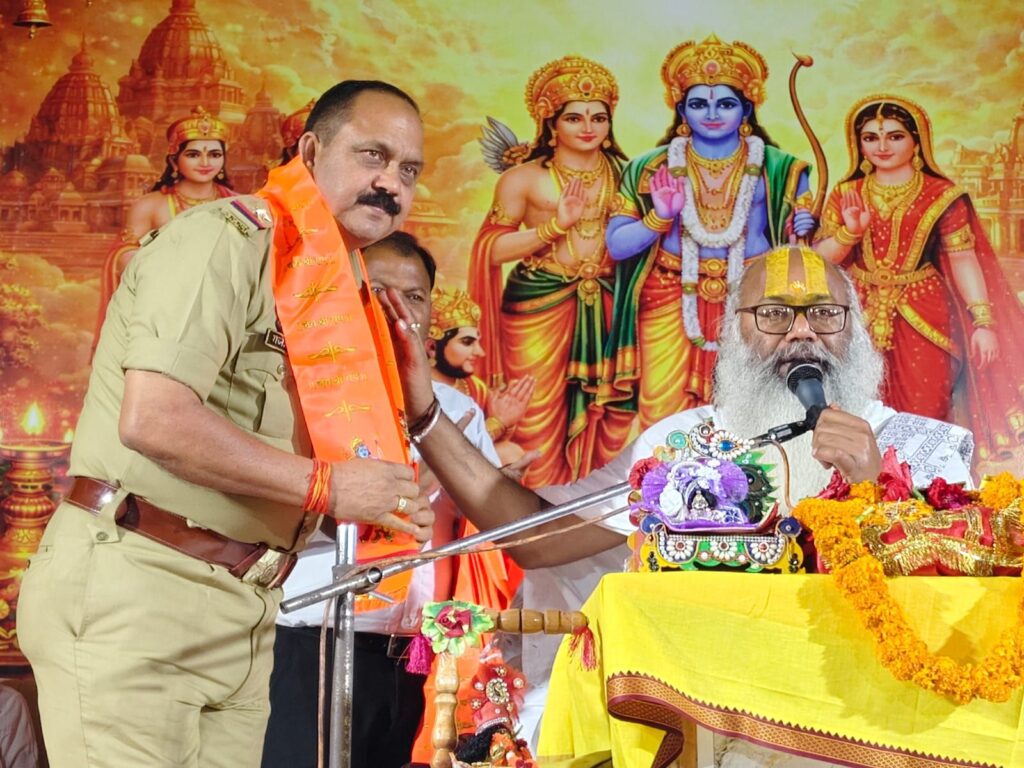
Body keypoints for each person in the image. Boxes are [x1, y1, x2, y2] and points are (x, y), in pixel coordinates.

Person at [378, 244, 973, 753]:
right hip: (709, 724)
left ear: (856, 329)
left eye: (823, 312)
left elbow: (960, 609)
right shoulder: (684, 446)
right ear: (733, 331)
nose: (801, 331)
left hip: (869, 725)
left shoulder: (925, 448)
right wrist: (424, 411)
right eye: (773, 314)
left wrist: (874, 485)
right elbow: (539, 538)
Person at [17, 80, 433, 768]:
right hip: (143, 585)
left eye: (408, 170)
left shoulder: (338, 286)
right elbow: (154, 419)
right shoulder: (225, 240)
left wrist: (397, 449)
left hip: (247, 608)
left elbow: (285, 460)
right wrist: (330, 486)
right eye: (372, 156)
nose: (390, 182)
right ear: (310, 151)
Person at [263, 232, 502, 768]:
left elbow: (492, 516)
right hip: (310, 644)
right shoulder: (302, 394)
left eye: (414, 296)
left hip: (405, 654)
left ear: (431, 313)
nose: (397, 308)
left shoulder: (455, 411)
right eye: (376, 290)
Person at [604, 35, 816, 433]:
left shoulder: (781, 169)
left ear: (747, 108)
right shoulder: (648, 168)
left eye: (726, 104)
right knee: (662, 410)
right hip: (669, 297)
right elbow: (616, 246)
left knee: (755, 405)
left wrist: (802, 231)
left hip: (752, 298)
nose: (713, 114)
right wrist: (659, 217)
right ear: (682, 109)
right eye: (699, 104)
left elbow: (805, 254)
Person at [814, 94, 1024, 466]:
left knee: (927, 408)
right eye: (870, 137)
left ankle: (927, 492)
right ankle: (859, 492)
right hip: (856, 315)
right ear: (858, 144)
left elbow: (962, 259)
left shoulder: (942, 195)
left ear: (917, 141)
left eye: (894, 136)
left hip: (925, 313)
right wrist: (850, 233)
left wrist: (983, 322)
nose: (882, 146)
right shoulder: (848, 193)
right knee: (857, 408)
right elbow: (821, 260)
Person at [468, 55, 633, 488]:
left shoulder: (628, 175)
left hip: (609, 306)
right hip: (538, 308)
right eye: (574, 117)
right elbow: (491, 249)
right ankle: (533, 505)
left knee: (607, 412)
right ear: (551, 122)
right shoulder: (523, 179)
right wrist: (555, 226)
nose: (588, 127)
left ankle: (594, 509)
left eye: (599, 117)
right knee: (534, 413)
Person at [96, 107, 237, 342]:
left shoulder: (239, 205)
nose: (205, 162)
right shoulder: (151, 206)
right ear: (174, 160)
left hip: (223, 316)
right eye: (193, 155)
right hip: (165, 317)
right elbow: (122, 257)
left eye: (214, 154)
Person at [427, 287, 534, 466]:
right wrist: (498, 422)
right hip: (432, 471)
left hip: (470, 471)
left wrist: (506, 416)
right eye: (467, 342)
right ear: (432, 347)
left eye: (477, 342)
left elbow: (490, 445)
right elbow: (445, 450)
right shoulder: (419, 389)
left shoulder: (474, 387)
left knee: (511, 454)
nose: (480, 352)